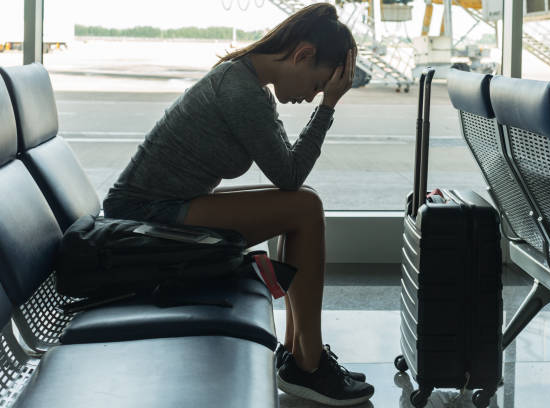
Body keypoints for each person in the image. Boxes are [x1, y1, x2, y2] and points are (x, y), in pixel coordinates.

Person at [102, 3, 374, 406]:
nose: (312, 95)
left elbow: (290, 172)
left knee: (305, 205)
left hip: (161, 208)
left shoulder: (248, 84)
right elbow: (289, 176)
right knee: (303, 208)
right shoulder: (240, 89)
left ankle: (300, 357)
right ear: (302, 55)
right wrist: (328, 108)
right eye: (317, 84)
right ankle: (308, 365)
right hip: (146, 220)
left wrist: (324, 102)